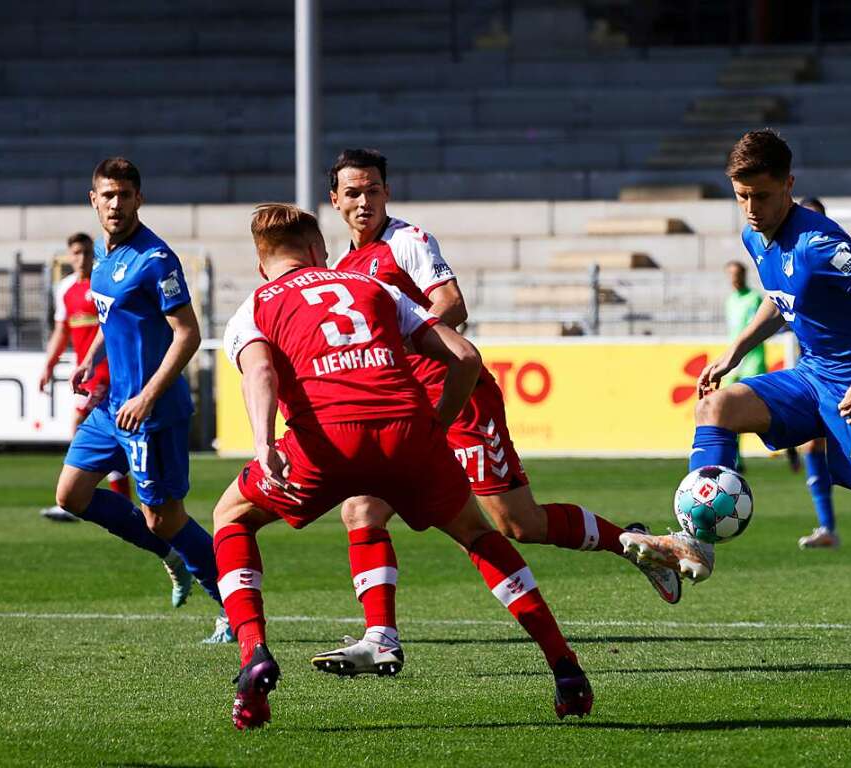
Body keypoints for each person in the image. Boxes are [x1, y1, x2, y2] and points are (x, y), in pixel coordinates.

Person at [215, 203, 592, 730]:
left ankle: (254, 654)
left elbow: (258, 373)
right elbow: (464, 356)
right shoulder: (374, 288)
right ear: (318, 251)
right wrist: (437, 424)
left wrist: (262, 443)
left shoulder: (255, 304)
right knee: (476, 535)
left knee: (231, 516)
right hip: (406, 429)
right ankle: (564, 665)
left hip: (325, 440)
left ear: (262, 265)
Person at [309, 149, 680, 677]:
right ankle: (381, 638)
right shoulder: (344, 268)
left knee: (518, 524)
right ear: (335, 201)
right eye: (352, 193)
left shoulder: (408, 241)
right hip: (404, 412)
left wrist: (399, 346)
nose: (363, 201)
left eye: (371, 189)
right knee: (362, 510)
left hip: (456, 400)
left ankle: (637, 544)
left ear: (386, 192)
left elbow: (453, 304)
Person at [623, 130, 851, 702]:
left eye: (763, 197)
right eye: (741, 196)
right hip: (814, 374)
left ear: (789, 187)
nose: (751, 208)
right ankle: (698, 542)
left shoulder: (820, 241)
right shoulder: (757, 237)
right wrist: (736, 351)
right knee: (715, 405)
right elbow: (782, 298)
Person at [53, 157, 230, 641]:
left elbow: (188, 334)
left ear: (139, 199)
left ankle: (232, 605)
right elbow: (115, 319)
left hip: (151, 413)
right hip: (114, 407)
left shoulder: (156, 260)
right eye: (107, 195)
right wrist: (91, 356)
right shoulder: (106, 259)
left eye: (125, 195)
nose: (115, 204)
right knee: (71, 495)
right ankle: (168, 555)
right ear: (94, 200)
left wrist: (149, 396)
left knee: (164, 516)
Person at [38, 233, 134, 524]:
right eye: (76, 253)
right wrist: (49, 364)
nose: (81, 258)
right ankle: (122, 500)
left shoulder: (103, 282)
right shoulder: (65, 289)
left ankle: (79, 493)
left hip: (108, 369)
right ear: (69, 256)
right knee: (102, 430)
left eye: (86, 252)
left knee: (80, 421)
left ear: (93, 253)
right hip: (86, 371)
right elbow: (62, 332)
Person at [794, 196, 838, 550]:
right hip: (813, 367)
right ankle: (827, 527)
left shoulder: (834, 255)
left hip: (845, 370)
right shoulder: (792, 257)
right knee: (813, 443)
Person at [722, 259, 766, 473]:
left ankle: (792, 449)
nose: (734, 279)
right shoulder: (730, 300)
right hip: (734, 364)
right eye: (731, 275)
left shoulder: (754, 298)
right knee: (729, 411)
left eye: (737, 274)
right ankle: (736, 459)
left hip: (752, 362)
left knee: (762, 411)